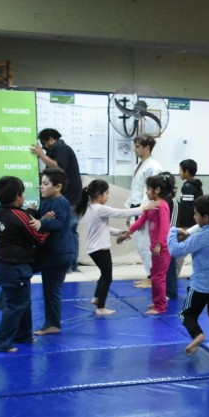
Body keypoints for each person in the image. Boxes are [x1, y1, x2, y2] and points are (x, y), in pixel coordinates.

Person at [0, 175, 48, 353]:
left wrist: (30, 213)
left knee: (22, 301)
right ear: (17, 197)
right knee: (16, 305)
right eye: (22, 194)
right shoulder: (19, 215)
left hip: (2, 264)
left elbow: (18, 225)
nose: (23, 198)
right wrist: (47, 224)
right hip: (14, 265)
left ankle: (23, 335)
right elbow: (38, 237)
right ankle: (0, 342)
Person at [168, 195, 209, 355]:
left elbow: (175, 250)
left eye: (196, 214)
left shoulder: (199, 237)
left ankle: (198, 334)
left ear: (205, 217)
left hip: (200, 287)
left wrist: (172, 231)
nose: (194, 217)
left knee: (186, 315)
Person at [74, 179, 142, 315]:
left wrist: (119, 232)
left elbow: (104, 228)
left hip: (94, 249)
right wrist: (143, 209)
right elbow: (122, 213)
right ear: (100, 195)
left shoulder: (90, 208)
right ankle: (101, 307)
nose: (108, 196)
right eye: (107, 193)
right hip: (100, 249)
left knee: (104, 274)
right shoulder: (100, 209)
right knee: (107, 276)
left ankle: (96, 298)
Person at [119, 172, 174, 314]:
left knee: (158, 278)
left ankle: (160, 306)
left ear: (157, 190)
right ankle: (157, 302)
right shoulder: (151, 205)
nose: (146, 192)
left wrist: (159, 244)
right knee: (154, 276)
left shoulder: (162, 206)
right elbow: (141, 220)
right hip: (155, 247)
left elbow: (164, 227)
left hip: (162, 248)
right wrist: (128, 232)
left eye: (149, 189)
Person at [33, 168, 77, 336]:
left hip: (59, 254)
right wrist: (35, 214)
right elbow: (43, 218)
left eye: (45, 184)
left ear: (58, 186)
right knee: (47, 288)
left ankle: (53, 324)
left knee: (51, 290)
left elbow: (57, 223)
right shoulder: (46, 201)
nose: (41, 187)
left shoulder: (61, 202)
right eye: (41, 184)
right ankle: (52, 323)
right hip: (50, 253)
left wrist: (42, 223)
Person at [31, 128, 82, 272]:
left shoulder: (61, 148)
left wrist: (41, 155)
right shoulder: (55, 150)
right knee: (70, 230)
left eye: (44, 144)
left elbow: (58, 167)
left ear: (52, 139)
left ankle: (70, 265)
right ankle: (70, 265)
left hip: (71, 197)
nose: (44, 148)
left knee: (69, 230)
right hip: (70, 197)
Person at [126, 135, 163, 288]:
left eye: (137, 146)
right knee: (141, 245)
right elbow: (135, 190)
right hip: (137, 208)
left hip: (146, 210)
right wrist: (129, 211)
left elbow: (149, 193)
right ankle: (149, 275)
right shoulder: (141, 165)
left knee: (147, 245)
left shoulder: (152, 167)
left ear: (147, 147)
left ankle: (152, 277)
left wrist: (143, 214)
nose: (135, 149)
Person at [170, 159, 204, 298]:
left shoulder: (188, 186)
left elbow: (187, 207)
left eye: (180, 170)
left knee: (178, 255)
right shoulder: (196, 185)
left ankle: (173, 281)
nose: (179, 173)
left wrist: (184, 226)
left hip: (188, 225)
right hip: (195, 225)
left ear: (187, 172)